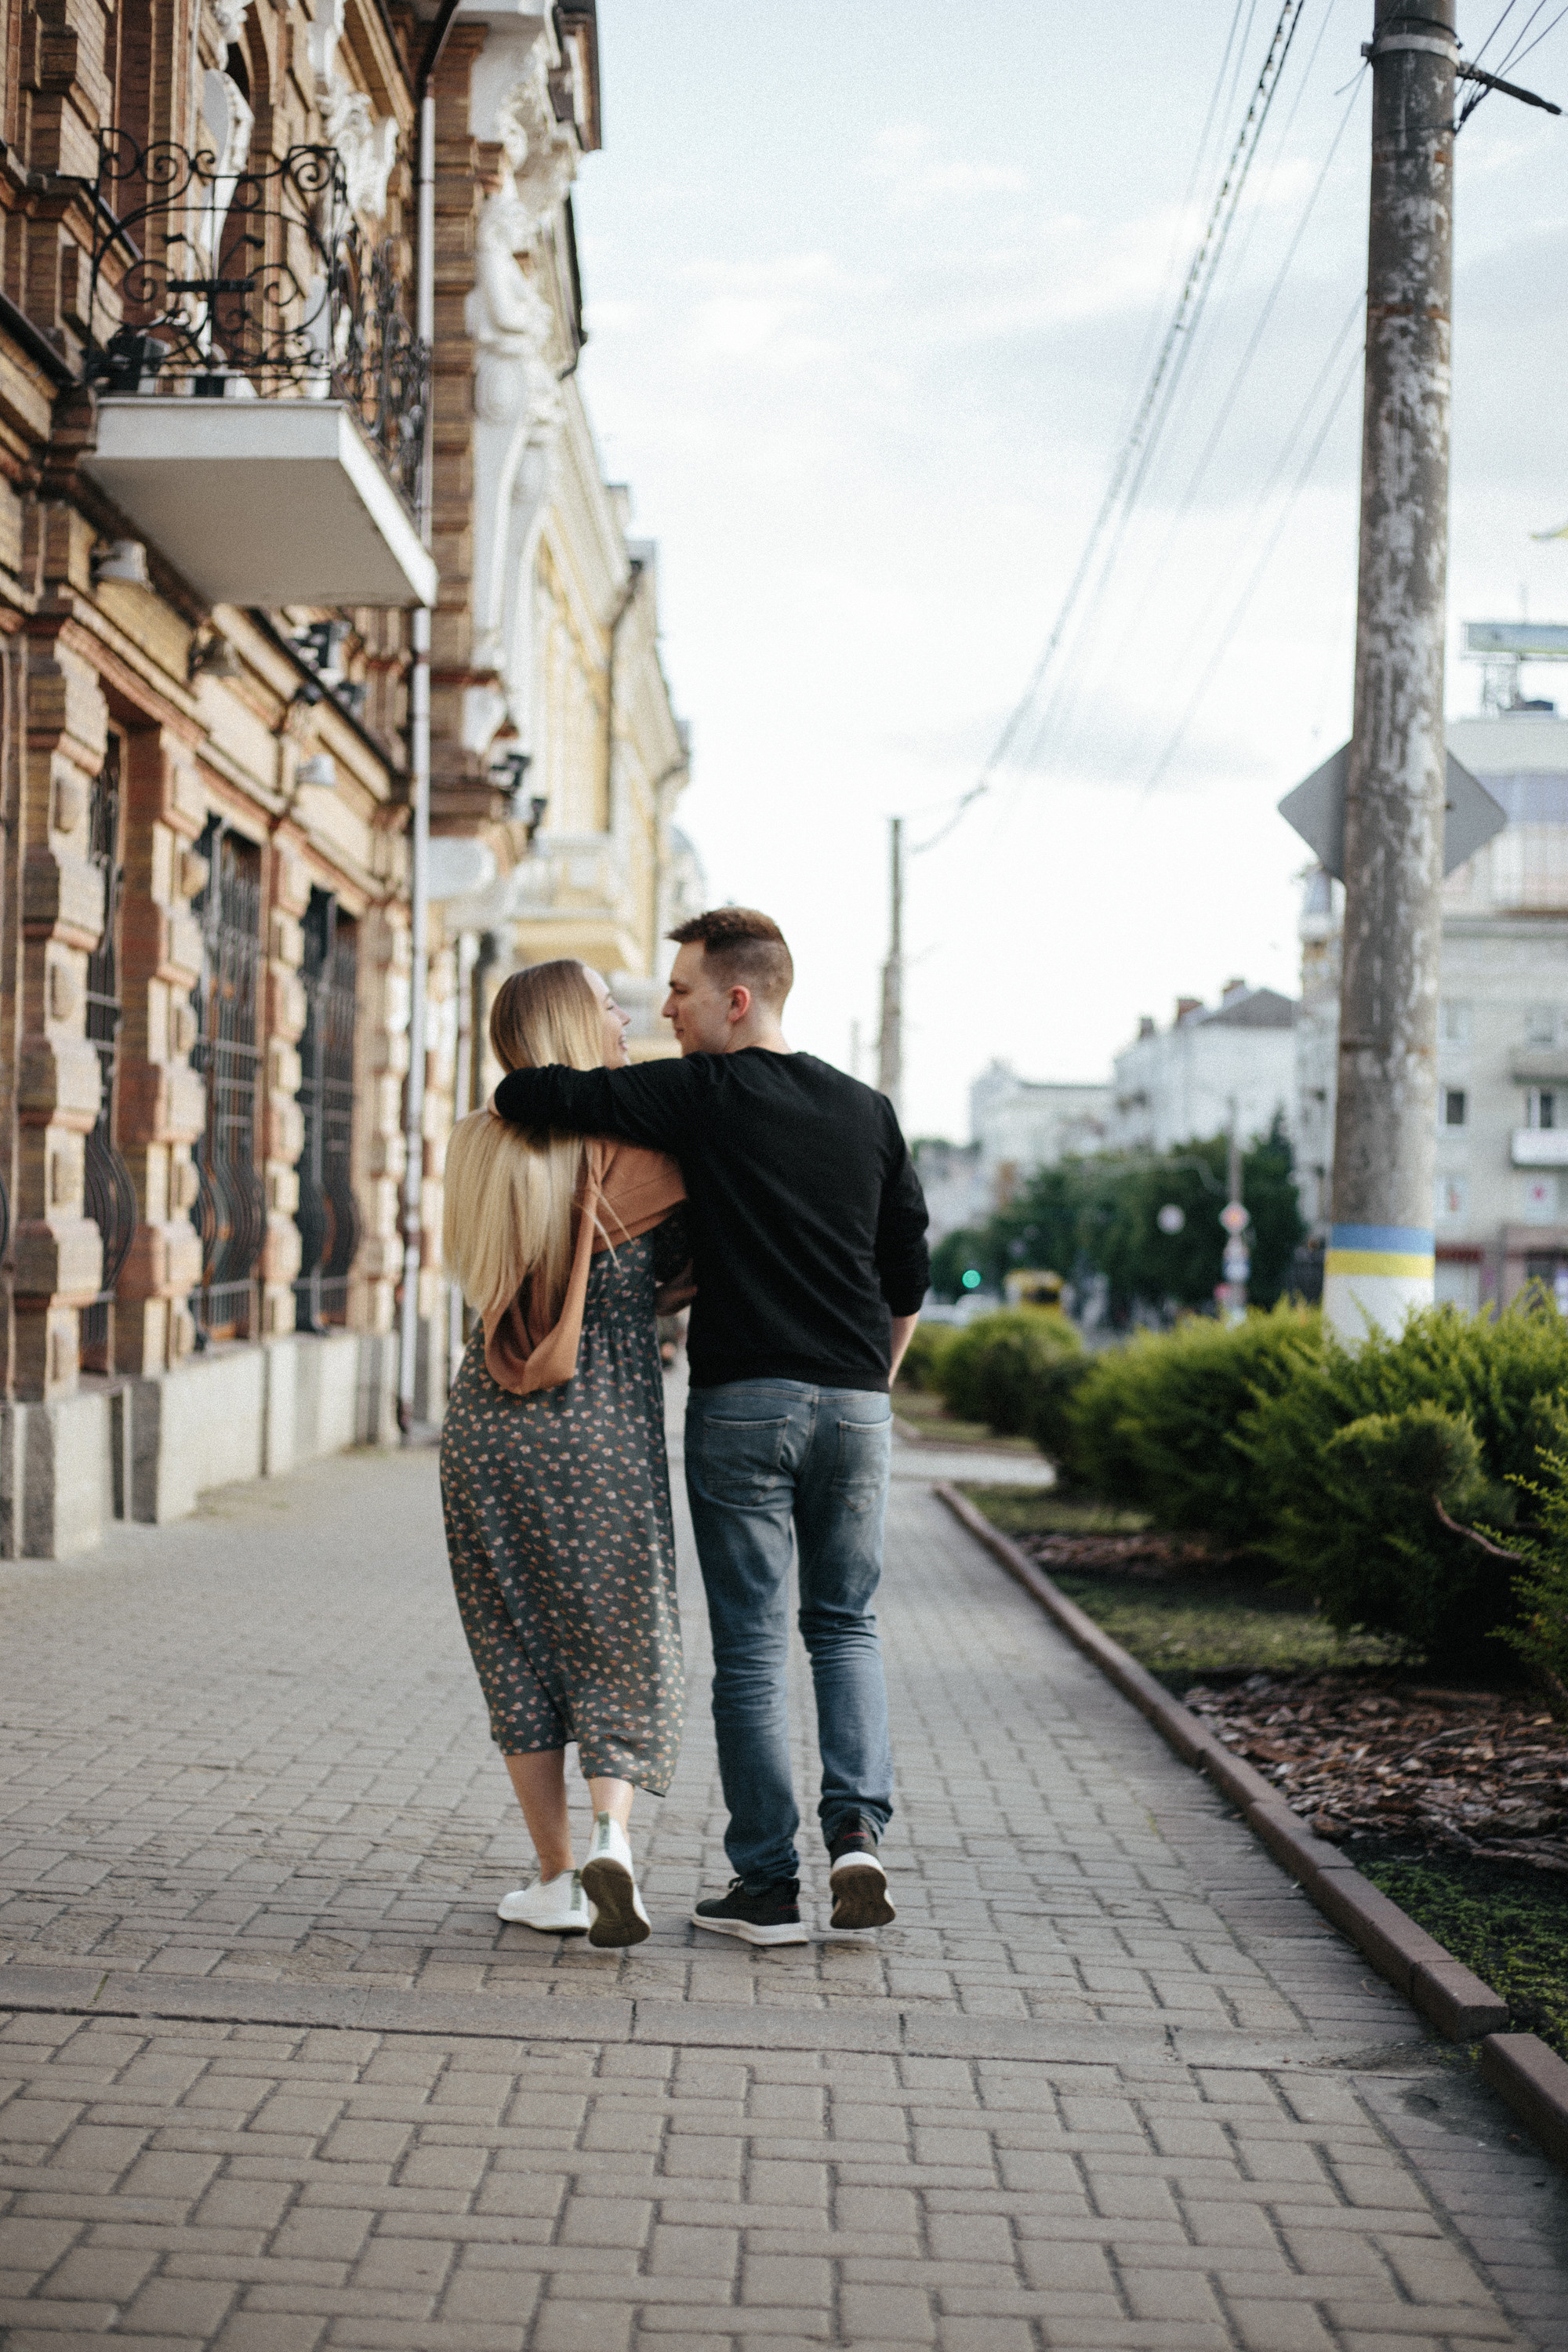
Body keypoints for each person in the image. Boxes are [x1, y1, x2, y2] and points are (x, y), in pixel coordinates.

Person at [492, 909, 930, 1946]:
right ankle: (856, 1838)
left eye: (680, 993)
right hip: (856, 1404)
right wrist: (870, 1386)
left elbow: (531, 1094)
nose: (665, 1014)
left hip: (742, 1406)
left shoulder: (703, 1091)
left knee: (751, 1650)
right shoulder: (866, 1110)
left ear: (736, 1000)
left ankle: (768, 1887)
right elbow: (907, 1274)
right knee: (846, 1625)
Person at [440, 960, 693, 1948]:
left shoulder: (477, 1143)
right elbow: (682, 1274)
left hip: (487, 1424)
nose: (625, 1016)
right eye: (606, 1005)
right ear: (571, 1027)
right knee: (621, 1641)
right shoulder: (647, 1155)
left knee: (513, 1645)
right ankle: (610, 1840)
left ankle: (556, 1880)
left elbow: (479, 1275)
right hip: (602, 1426)